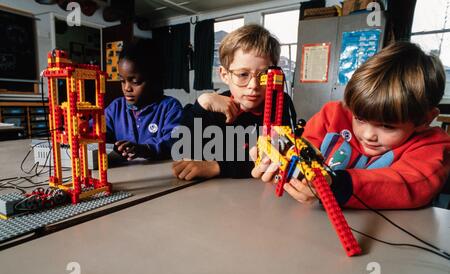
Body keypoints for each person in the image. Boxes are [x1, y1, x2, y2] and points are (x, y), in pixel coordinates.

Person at [251, 41, 450, 209]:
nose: (368, 135)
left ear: (424, 119)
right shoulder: (334, 115)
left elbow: (409, 183)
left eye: (387, 126)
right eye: (360, 119)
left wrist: (336, 185)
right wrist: (279, 159)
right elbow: (303, 146)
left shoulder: (432, 145)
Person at [172, 24, 296, 180]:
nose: (254, 85)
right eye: (243, 74)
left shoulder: (280, 103)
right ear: (224, 75)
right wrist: (201, 104)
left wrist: (217, 166)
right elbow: (182, 152)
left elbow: (279, 156)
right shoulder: (211, 107)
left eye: (264, 75)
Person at [106, 39, 183, 161]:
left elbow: (175, 140)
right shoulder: (115, 108)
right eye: (122, 81)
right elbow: (97, 132)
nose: (127, 88)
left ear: (155, 79)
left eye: (135, 82)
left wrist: (146, 148)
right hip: (124, 176)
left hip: (158, 174)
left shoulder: (170, 107)